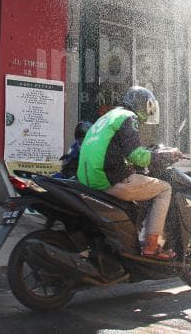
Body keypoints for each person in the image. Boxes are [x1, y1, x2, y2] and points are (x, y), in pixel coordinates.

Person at [77, 86, 180, 260]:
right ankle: (152, 246)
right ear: (140, 104)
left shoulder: (107, 116)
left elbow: (114, 149)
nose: (147, 111)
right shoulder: (128, 117)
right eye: (146, 106)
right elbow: (136, 155)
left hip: (86, 180)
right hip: (107, 179)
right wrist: (165, 156)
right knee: (164, 189)